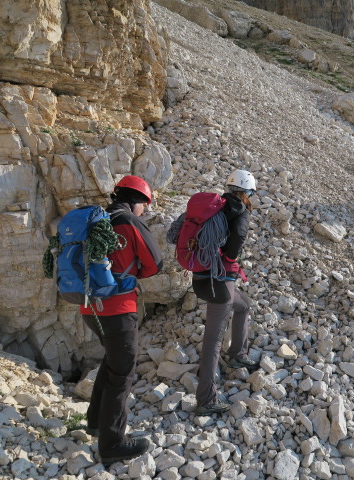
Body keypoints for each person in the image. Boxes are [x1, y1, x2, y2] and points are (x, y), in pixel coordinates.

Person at [80, 175, 163, 465]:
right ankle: (113, 443)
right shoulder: (128, 220)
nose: (145, 211)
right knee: (123, 373)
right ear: (138, 201)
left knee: (112, 362)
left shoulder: (96, 219)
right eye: (145, 205)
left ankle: (95, 423)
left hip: (90, 307)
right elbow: (155, 263)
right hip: (117, 308)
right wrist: (133, 274)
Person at [172, 169, 259, 415]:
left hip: (201, 279)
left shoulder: (213, 208)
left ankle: (238, 353)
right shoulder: (239, 211)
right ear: (247, 191)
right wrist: (230, 258)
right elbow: (239, 237)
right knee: (212, 342)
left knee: (244, 305)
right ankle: (207, 399)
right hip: (219, 283)